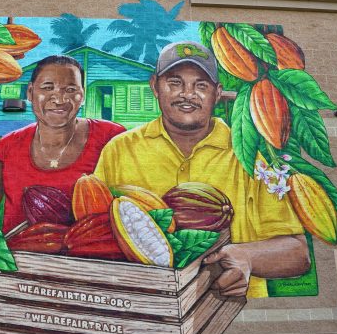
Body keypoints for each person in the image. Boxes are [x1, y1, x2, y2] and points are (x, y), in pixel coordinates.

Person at [93, 42, 310, 298]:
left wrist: (247, 257)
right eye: (175, 82)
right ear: (155, 86)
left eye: (201, 85)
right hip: (143, 304)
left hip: (226, 308)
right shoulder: (119, 150)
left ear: (217, 93)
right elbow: (93, 230)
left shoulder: (251, 155)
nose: (187, 94)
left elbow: (298, 253)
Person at [0, 55, 125, 233]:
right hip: (21, 256)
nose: (59, 99)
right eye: (47, 88)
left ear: (82, 95)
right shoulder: (7, 147)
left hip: (91, 257)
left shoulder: (111, 137)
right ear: (30, 92)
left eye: (70, 89)